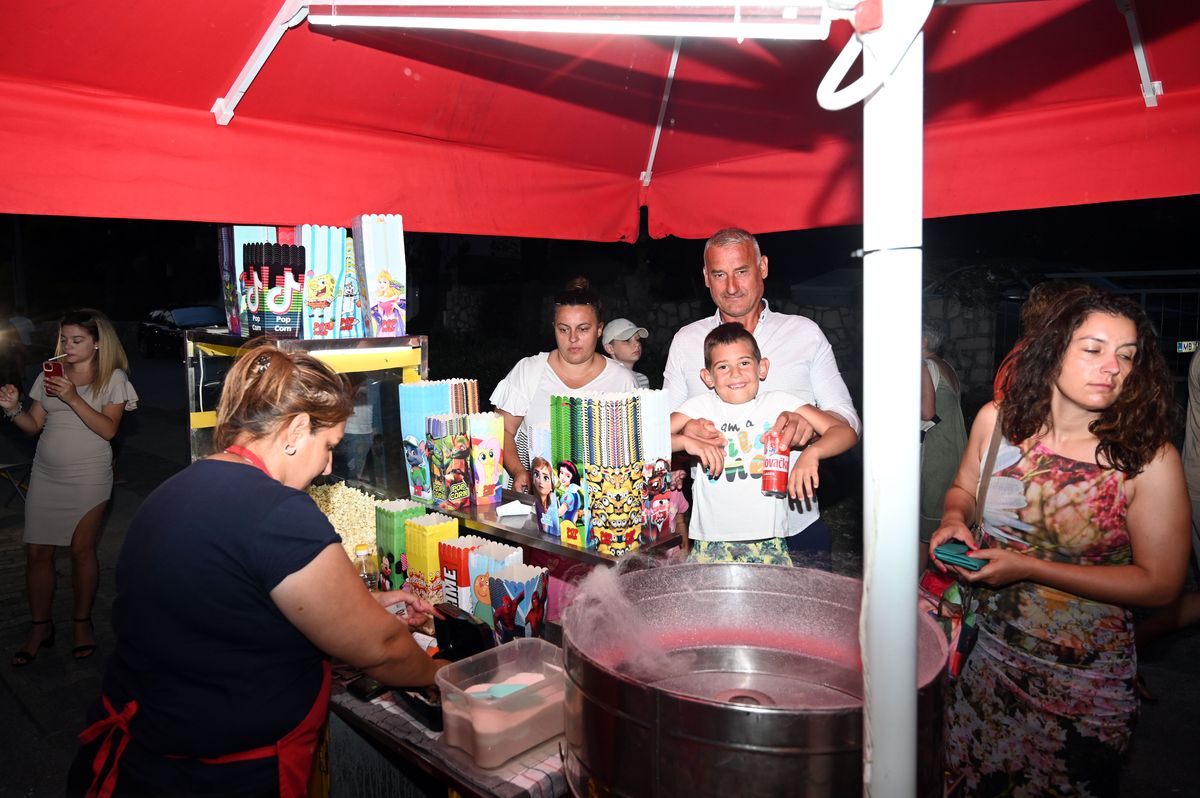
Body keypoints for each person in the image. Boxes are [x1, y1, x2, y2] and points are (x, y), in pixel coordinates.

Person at [65, 341, 448, 798]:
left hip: (139, 757)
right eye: (329, 446)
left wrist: (362, 604)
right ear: (297, 429)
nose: (328, 466)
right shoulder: (279, 513)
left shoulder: (175, 489)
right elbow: (382, 648)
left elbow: (229, 605)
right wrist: (439, 674)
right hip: (222, 776)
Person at [929, 288, 1190, 796]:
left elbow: (1160, 584)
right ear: (1051, 351)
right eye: (1093, 349)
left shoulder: (1146, 460)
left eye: (1127, 355)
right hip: (984, 661)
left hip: (1083, 681)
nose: (1112, 367)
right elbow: (962, 489)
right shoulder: (998, 423)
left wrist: (1029, 568)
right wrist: (954, 519)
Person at [663, 228, 860, 565]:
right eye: (719, 275)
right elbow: (655, 430)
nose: (731, 287)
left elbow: (847, 419)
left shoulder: (804, 333)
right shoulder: (686, 341)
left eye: (741, 271)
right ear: (706, 278)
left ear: (763, 267)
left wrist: (811, 434)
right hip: (717, 532)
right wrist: (687, 435)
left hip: (796, 522)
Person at [1, 309, 137, 667]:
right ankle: (40, 627)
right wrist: (13, 409)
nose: (68, 345)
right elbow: (33, 425)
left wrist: (74, 397)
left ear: (97, 343)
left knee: (81, 551)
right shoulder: (51, 373)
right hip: (46, 474)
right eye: (64, 339)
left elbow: (109, 430)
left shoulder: (113, 377)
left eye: (77, 340)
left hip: (89, 476)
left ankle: (81, 623)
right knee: (36, 553)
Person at [671, 323, 858, 565]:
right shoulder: (699, 407)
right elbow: (646, 440)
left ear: (762, 367)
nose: (735, 373)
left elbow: (845, 432)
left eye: (744, 363)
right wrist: (686, 442)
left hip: (770, 541)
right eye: (723, 366)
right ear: (708, 377)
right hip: (711, 543)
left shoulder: (779, 403)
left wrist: (813, 453)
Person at [491, 277, 637, 493]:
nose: (573, 338)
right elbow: (501, 429)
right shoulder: (529, 370)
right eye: (564, 329)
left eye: (583, 329)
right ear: (554, 328)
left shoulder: (622, 380)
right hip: (537, 500)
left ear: (599, 329)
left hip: (602, 501)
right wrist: (518, 471)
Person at [918, 318, 966, 563]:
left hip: (936, 450)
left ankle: (917, 579)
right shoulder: (945, 366)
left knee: (925, 530)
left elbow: (927, 412)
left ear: (923, 341)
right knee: (944, 515)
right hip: (954, 445)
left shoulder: (922, 365)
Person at [602, 317, 651, 388]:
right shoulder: (604, 381)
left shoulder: (642, 379)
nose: (637, 344)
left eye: (637, 339)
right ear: (610, 348)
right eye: (627, 340)